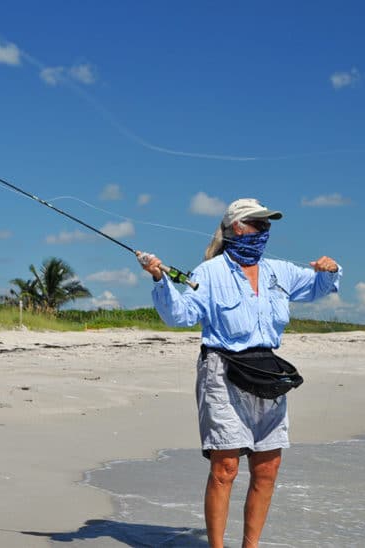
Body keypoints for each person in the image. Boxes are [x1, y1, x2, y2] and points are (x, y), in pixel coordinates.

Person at [137, 198, 341, 548]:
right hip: (222, 371)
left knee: (267, 469)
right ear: (236, 228)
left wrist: (331, 268)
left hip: (267, 373)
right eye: (258, 224)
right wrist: (160, 278)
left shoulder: (280, 272)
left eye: (267, 225)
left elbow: (320, 287)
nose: (265, 231)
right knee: (225, 468)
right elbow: (180, 316)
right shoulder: (209, 273)